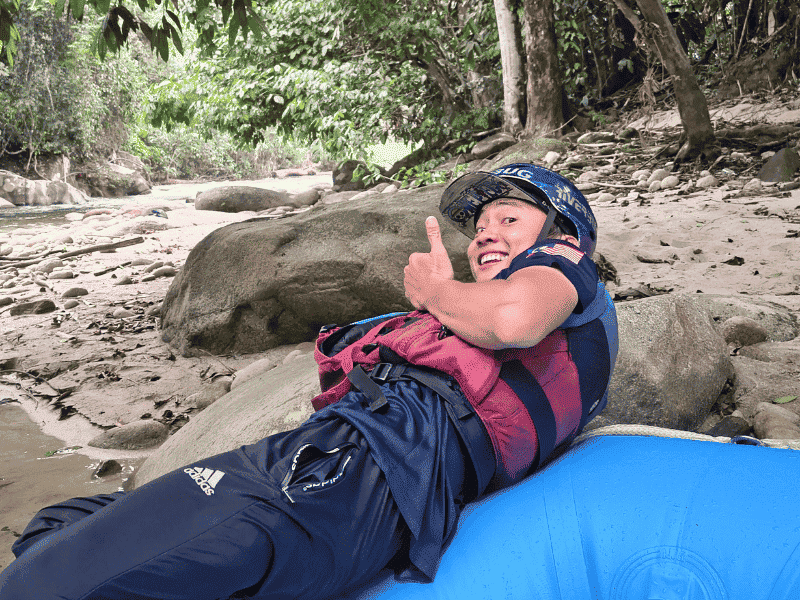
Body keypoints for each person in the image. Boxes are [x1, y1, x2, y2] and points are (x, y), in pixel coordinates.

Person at [0, 163, 618, 600]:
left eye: (507, 218)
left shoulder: (564, 270)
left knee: (44, 581)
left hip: (360, 472)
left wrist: (434, 291)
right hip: (326, 454)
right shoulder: (480, 313)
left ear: (562, 236)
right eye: (479, 226)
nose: (484, 233)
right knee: (60, 520)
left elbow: (513, 319)